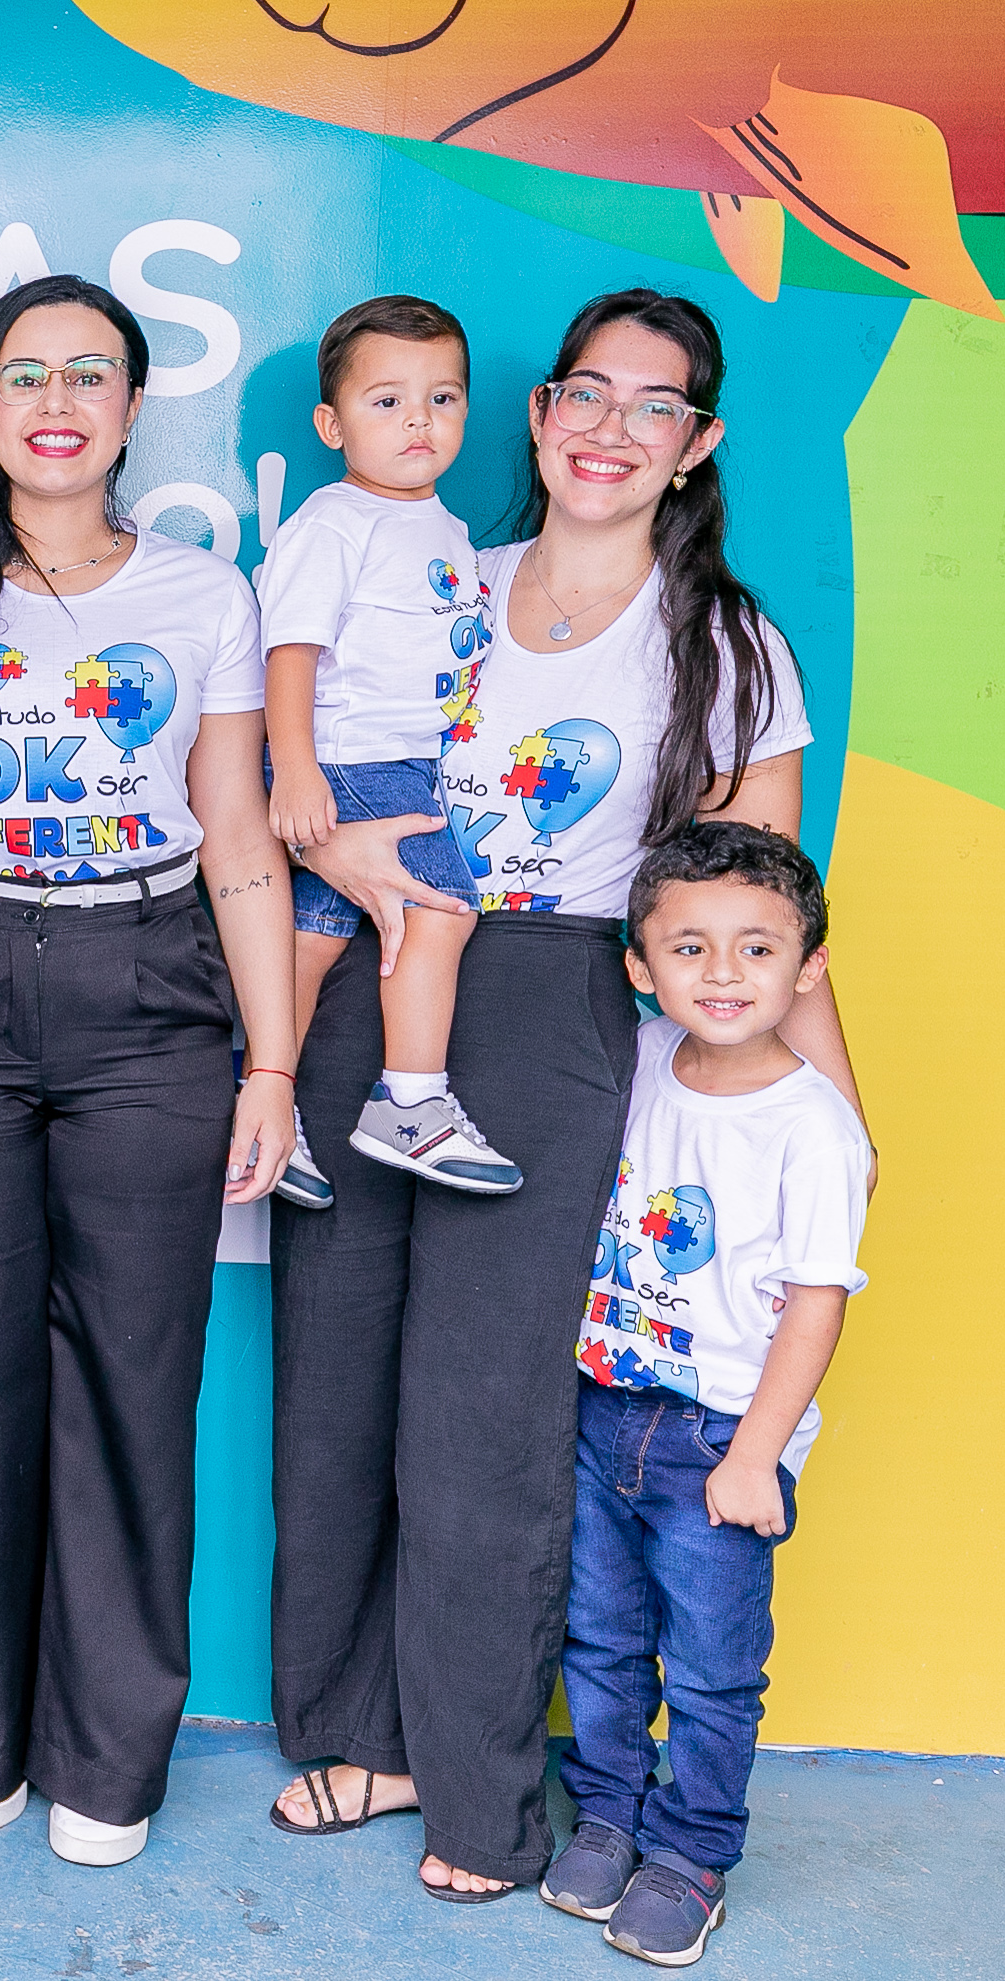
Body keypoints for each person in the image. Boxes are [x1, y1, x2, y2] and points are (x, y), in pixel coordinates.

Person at [267, 289, 865, 1901]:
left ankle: (473, 1789)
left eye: (651, 406)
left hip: (549, 1010)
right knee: (335, 1380)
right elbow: (298, 768)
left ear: (695, 443)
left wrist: (835, 1116)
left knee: (480, 1411)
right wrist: (334, 860)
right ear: (535, 416)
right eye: (582, 394)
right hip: (371, 977)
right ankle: (357, 1729)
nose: (609, 429)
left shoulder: (722, 643)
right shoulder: (434, 578)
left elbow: (757, 906)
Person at [0, 275, 297, 1868]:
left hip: (148, 986)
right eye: (24, 374)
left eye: (89, 373)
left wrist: (269, 1060)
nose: (56, 401)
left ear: (132, 408)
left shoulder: (200, 595)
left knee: (134, 1382)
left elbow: (237, 837)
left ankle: (107, 1758)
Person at [541, 823, 868, 1967]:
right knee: (597, 1636)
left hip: (719, 1434)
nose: (722, 973)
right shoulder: (635, 1056)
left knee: (713, 1668)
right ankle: (608, 1811)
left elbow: (818, 1302)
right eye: (689, 947)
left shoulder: (814, 1127)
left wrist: (754, 1454)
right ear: (640, 964)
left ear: (807, 967)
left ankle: (691, 1852)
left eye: (756, 948)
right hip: (600, 1407)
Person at [258, 295, 515, 1207]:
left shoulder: (443, 527)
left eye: (442, 399)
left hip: (392, 761)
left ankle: (263, 1110)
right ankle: (409, 1102)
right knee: (440, 909)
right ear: (331, 426)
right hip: (351, 759)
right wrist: (294, 769)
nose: (418, 421)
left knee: (312, 937)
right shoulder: (334, 521)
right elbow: (290, 651)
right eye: (387, 401)